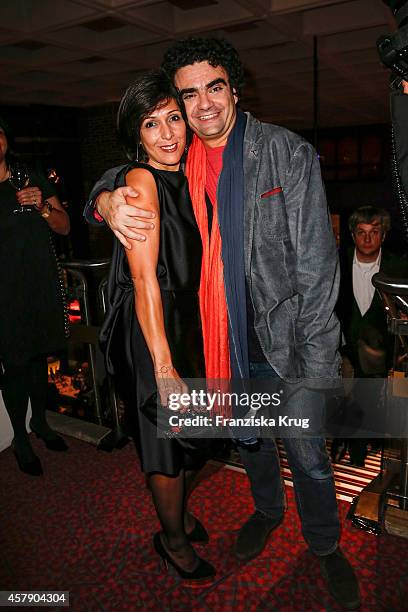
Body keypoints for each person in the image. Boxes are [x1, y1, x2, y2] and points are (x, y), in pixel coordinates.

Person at [84, 38, 360, 609]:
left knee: (306, 453)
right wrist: (104, 199)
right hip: (221, 342)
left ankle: (326, 545)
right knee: (250, 441)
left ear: (235, 89)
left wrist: (318, 365)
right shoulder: (182, 155)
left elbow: (316, 268)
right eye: (189, 94)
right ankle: (264, 511)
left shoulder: (285, 153)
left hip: (287, 340)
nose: (203, 105)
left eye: (214, 87)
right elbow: (133, 169)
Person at [98, 70, 215, 583]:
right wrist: (165, 368)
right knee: (168, 445)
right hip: (151, 331)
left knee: (194, 436)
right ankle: (171, 539)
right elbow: (145, 281)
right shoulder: (143, 181)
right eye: (152, 124)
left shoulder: (189, 172)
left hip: (184, 321)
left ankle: (178, 515)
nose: (167, 134)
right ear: (135, 135)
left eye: (173, 119)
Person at [0, 117, 70, 476]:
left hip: (39, 286)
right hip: (3, 296)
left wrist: (42, 207)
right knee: (15, 367)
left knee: (40, 359)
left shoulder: (28, 175)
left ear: (5, 139)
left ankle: (40, 423)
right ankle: (20, 440)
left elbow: (64, 225)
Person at [333, 206, 408, 467]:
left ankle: (367, 445)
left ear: (383, 236)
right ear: (353, 235)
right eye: (362, 233)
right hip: (344, 352)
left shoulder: (398, 268)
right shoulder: (335, 264)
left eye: (374, 232)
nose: (367, 239)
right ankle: (354, 451)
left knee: (375, 405)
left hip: (384, 357)